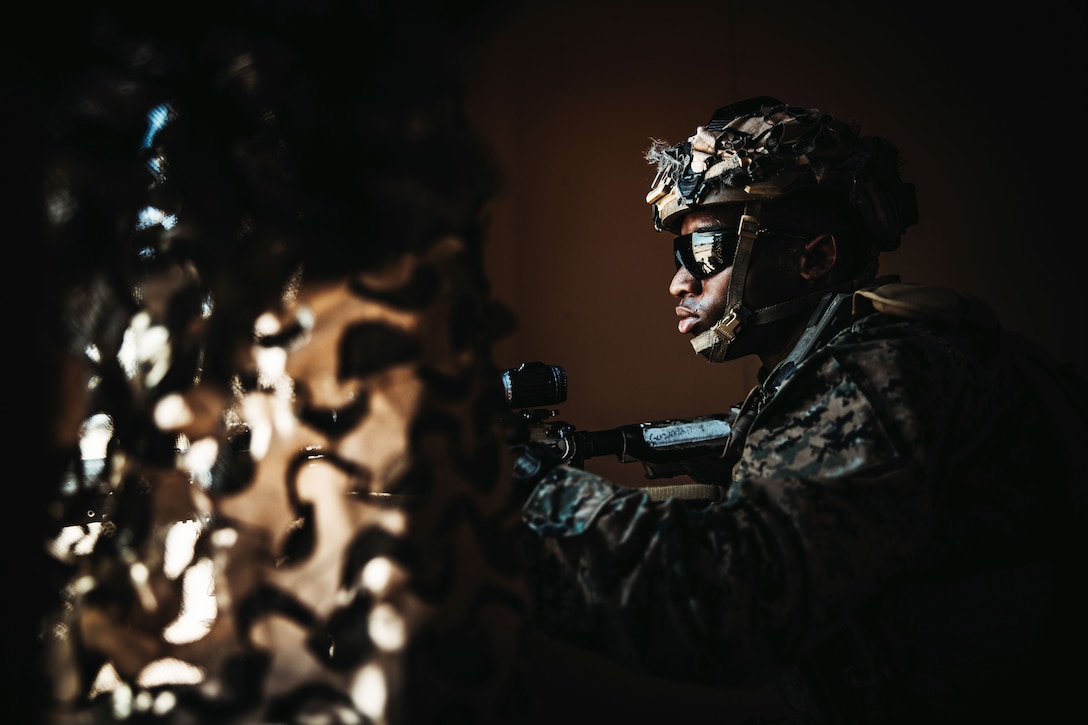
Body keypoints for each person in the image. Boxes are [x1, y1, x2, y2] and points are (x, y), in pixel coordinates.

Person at [512, 96, 1087, 723]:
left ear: (814, 257)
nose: (679, 282)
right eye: (678, 257)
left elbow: (728, 606)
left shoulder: (877, 374)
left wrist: (522, 494)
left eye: (704, 252)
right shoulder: (893, 354)